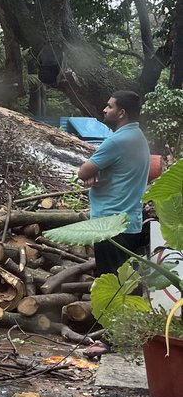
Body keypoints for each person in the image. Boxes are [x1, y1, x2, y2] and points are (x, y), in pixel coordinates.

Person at [78, 92, 151, 278]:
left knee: (111, 284)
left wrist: (92, 174)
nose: (104, 109)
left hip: (111, 226)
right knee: (124, 285)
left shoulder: (117, 141)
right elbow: (118, 171)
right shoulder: (138, 136)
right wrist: (97, 173)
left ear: (121, 113)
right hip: (130, 224)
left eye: (110, 106)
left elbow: (83, 172)